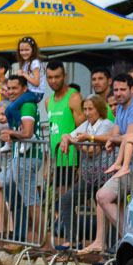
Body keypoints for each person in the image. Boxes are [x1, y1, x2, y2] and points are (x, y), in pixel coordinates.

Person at [0, 75, 43, 240]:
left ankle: (43, 244)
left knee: (32, 202)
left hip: (28, 157)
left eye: (15, 88)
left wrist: (10, 133)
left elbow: (27, 133)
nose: (11, 92)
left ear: (24, 89)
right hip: (23, 157)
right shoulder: (19, 105)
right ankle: (0, 228)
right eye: (9, 88)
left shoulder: (26, 105)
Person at [57, 95, 115, 248]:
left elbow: (91, 151)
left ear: (99, 109)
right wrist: (65, 139)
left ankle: (108, 247)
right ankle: (73, 241)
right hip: (89, 177)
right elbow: (67, 134)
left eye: (91, 109)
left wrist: (74, 142)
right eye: (85, 109)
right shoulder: (86, 125)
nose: (87, 112)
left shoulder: (106, 124)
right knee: (68, 199)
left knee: (106, 209)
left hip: (105, 177)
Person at [45, 60, 85, 195]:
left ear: (65, 76)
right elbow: (53, 132)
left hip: (71, 158)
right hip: (57, 158)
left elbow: (83, 130)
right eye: (50, 77)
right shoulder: (48, 101)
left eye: (57, 77)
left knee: (68, 200)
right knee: (61, 201)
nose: (53, 81)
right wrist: (49, 163)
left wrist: (81, 164)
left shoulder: (74, 97)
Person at [3, 37, 43, 133]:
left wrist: (24, 74)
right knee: (7, 111)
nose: (24, 52)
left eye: (27, 50)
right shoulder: (26, 63)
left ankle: (23, 129)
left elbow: (36, 82)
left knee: (13, 107)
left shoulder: (35, 63)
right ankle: (10, 132)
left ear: (33, 50)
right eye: (21, 50)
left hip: (36, 93)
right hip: (29, 92)